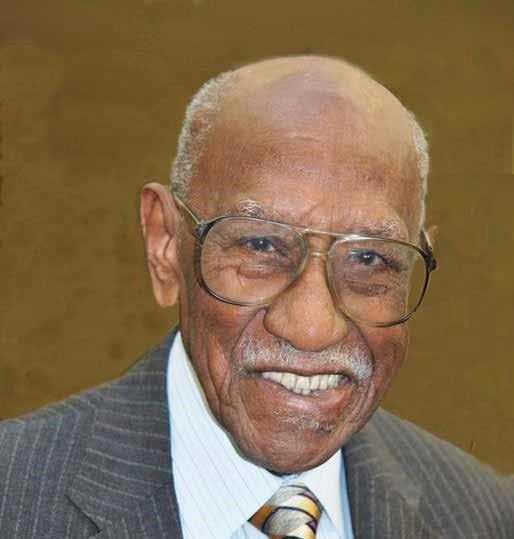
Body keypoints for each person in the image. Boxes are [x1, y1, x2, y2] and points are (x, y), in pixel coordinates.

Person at [0, 55, 512, 539]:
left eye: (368, 258)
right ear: (165, 244)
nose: (312, 327)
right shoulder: (14, 499)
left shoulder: (480, 516)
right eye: (261, 246)